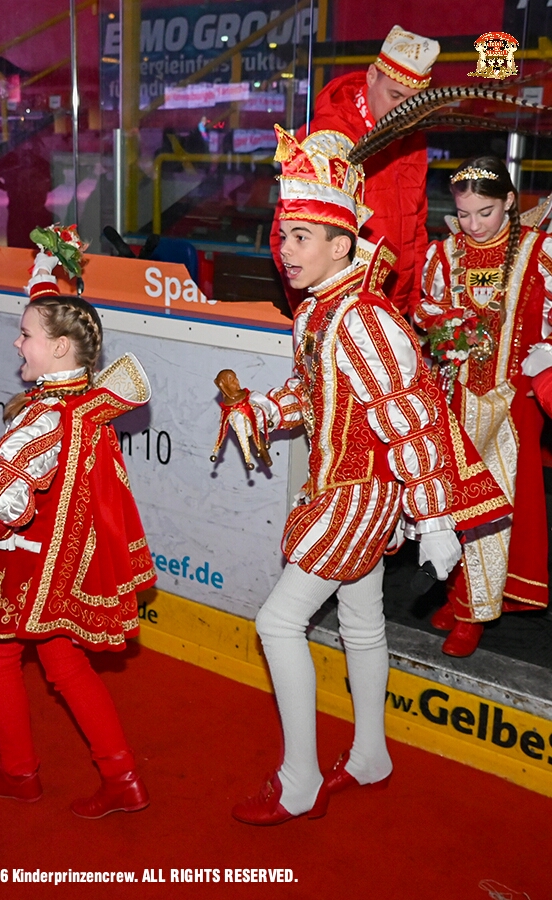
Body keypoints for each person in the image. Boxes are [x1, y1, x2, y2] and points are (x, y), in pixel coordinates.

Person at [220, 127, 511, 825]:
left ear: (342, 244)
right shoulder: (321, 310)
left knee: (277, 623)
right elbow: (314, 394)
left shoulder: (360, 318)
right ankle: (371, 756)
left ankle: (299, 781)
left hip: (361, 494)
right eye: (283, 236)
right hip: (348, 489)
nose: (286, 251)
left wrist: (435, 519)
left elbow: (412, 418)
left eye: (301, 237)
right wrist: (262, 409)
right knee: (360, 622)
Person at [0, 253, 156, 817]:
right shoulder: (83, 402)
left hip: (25, 567)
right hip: (61, 564)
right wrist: (44, 272)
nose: (17, 343)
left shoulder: (47, 417)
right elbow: (49, 313)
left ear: (61, 347)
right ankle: (123, 778)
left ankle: (20, 774)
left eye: (26, 336)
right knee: (64, 663)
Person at [415, 156, 552, 656]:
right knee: (455, 503)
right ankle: (460, 593)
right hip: (456, 397)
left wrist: (549, 352)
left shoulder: (539, 250)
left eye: (486, 212)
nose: (473, 225)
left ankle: (474, 611)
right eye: (464, 213)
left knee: (494, 508)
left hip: (514, 401)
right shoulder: (445, 253)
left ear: (510, 201)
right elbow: (425, 308)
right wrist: (443, 327)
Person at [270, 25, 440, 317]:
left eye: (415, 103)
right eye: (395, 96)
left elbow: (416, 231)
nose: (404, 112)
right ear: (371, 76)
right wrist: (314, 313)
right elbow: (285, 238)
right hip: (340, 313)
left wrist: (413, 309)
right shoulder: (324, 138)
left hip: (394, 311)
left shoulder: (414, 141)